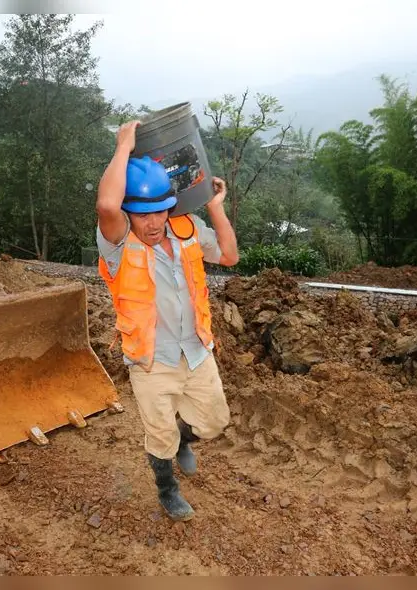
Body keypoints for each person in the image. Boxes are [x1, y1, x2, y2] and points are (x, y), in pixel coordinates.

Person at [95, 120, 240, 521]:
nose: (153, 223)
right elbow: (107, 205)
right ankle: (167, 489)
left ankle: (183, 441)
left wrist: (214, 206)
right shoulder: (117, 245)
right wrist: (124, 144)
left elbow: (229, 256)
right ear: (128, 212)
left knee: (214, 423)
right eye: (143, 214)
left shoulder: (187, 229)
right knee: (158, 434)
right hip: (150, 359)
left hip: (196, 351)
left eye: (160, 211)